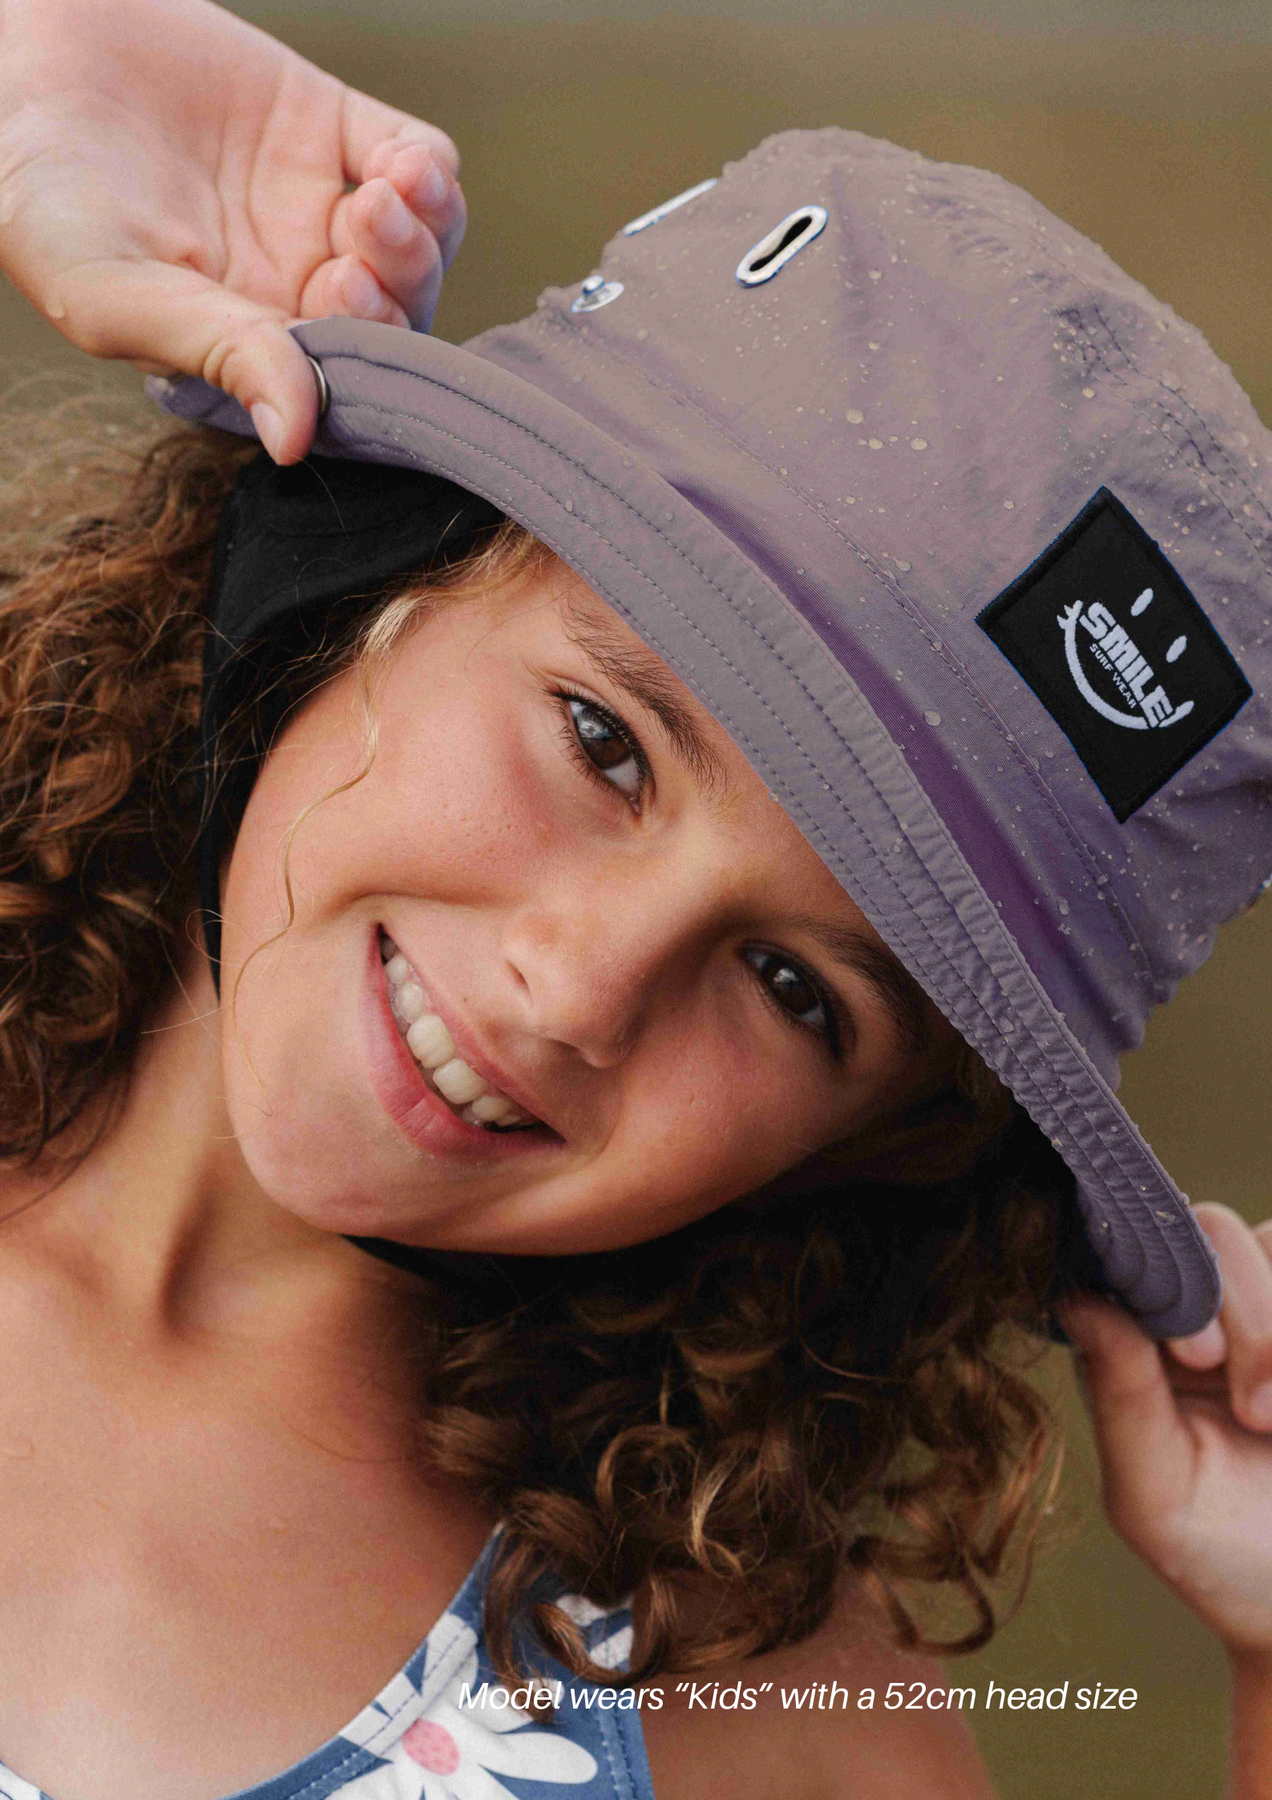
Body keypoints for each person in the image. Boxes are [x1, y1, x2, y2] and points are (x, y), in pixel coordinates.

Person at [0, 5, 1270, 1799]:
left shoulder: (754, 1710)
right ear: (390, 562)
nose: (581, 990)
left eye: (796, 990)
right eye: (604, 743)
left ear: (868, 1152)